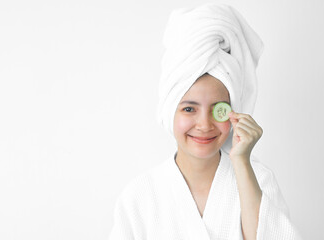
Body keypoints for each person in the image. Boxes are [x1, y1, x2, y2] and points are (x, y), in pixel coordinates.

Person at [109, 3, 303, 240]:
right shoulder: (139, 196)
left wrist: (242, 162)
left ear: (234, 112)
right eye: (189, 108)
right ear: (170, 111)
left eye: (218, 110)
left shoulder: (259, 179)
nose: (204, 125)